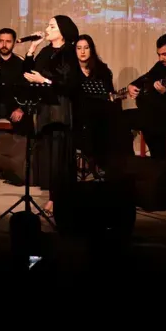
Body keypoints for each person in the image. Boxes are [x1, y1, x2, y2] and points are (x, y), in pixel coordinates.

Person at [22, 15, 80, 218]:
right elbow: (28, 73)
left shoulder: (69, 52)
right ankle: (52, 196)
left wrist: (45, 81)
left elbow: (69, 83)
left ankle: (57, 199)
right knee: (47, 154)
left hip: (61, 108)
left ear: (62, 31)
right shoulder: (46, 51)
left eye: (52, 26)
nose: (47, 29)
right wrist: (32, 48)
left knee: (59, 155)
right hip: (45, 107)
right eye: (48, 25)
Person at [71, 34, 122, 172]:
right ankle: (93, 161)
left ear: (91, 49)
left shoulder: (102, 70)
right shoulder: (70, 71)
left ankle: (106, 165)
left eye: (86, 48)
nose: (82, 51)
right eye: (79, 48)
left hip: (99, 113)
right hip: (78, 113)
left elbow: (109, 93)